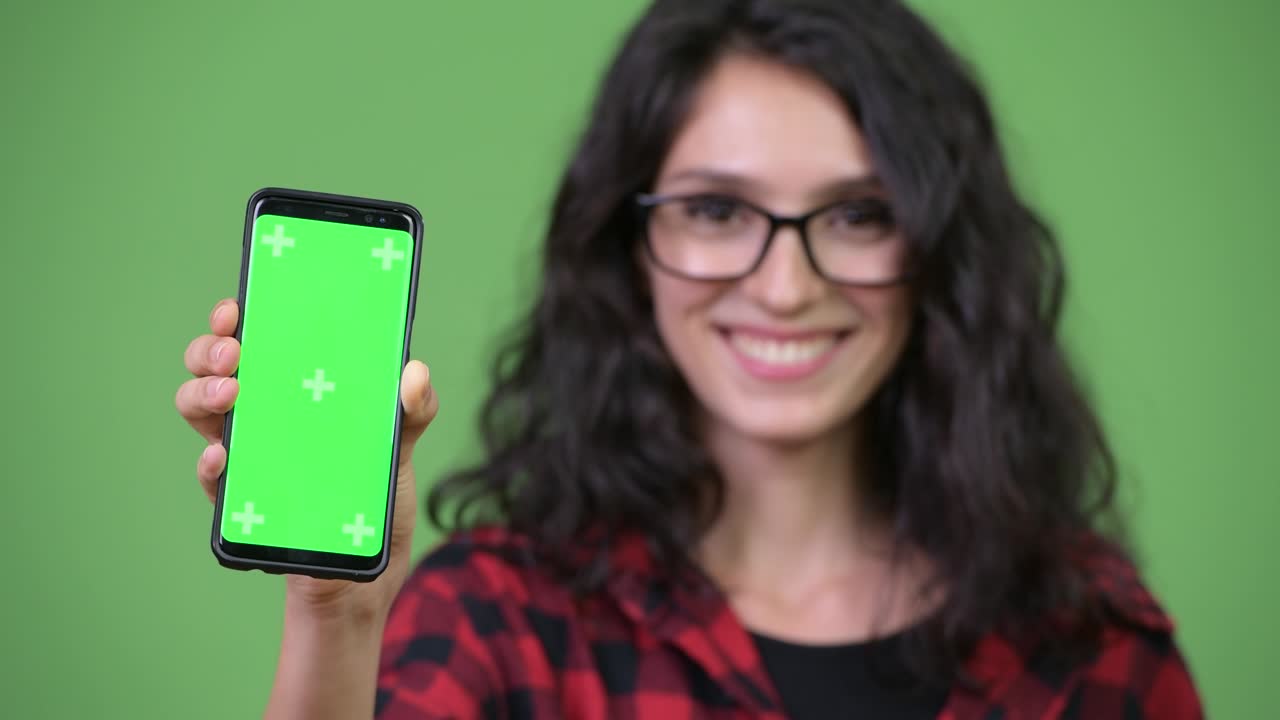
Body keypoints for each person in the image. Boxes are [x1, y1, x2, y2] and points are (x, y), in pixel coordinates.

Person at [176, 1, 1205, 717]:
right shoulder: (495, 622)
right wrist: (339, 614)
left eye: (858, 214)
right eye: (715, 210)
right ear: (626, 245)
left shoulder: (1096, 645)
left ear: (940, 250)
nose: (785, 288)